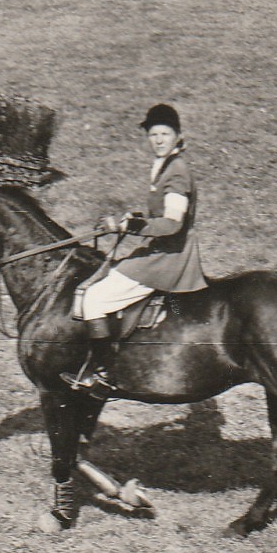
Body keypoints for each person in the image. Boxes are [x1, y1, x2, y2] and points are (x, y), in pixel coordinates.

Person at [62, 103, 208, 397]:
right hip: (159, 251)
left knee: (93, 298)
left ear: (178, 136)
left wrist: (128, 227)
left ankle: (104, 374)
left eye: (165, 133)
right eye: (153, 134)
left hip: (168, 257)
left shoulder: (177, 172)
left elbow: (171, 225)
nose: (158, 140)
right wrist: (134, 219)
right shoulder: (166, 165)